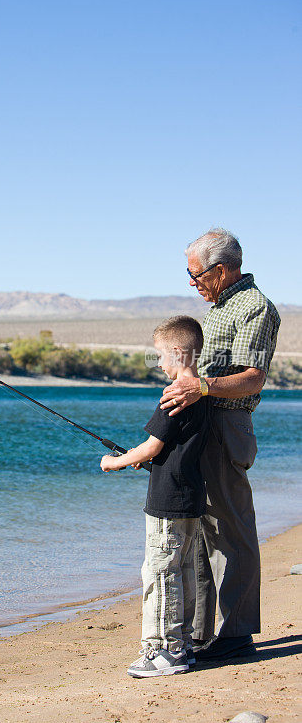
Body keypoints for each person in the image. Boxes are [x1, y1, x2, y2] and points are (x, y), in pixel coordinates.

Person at [160, 228, 280, 662]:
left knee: (231, 531)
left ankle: (237, 635)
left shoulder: (254, 307)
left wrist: (202, 387)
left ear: (223, 270)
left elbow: (253, 376)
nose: (192, 283)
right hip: (202, 421)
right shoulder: (221, 307)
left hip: (227, 425)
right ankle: (202, 632)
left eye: (196, 276)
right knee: (202, 530)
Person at [101, 316, 210, 678]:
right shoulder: (202, 395)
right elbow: (166, 447)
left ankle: (165, 652)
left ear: (178, 353)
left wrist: (115, 461)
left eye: (160, 356)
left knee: (161, 572)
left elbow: (152, 446)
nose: (159, 363)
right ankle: (185, 646)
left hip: (169, 501)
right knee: (181, 572)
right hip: (191, 497)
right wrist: (145, 456)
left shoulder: (174, 394)